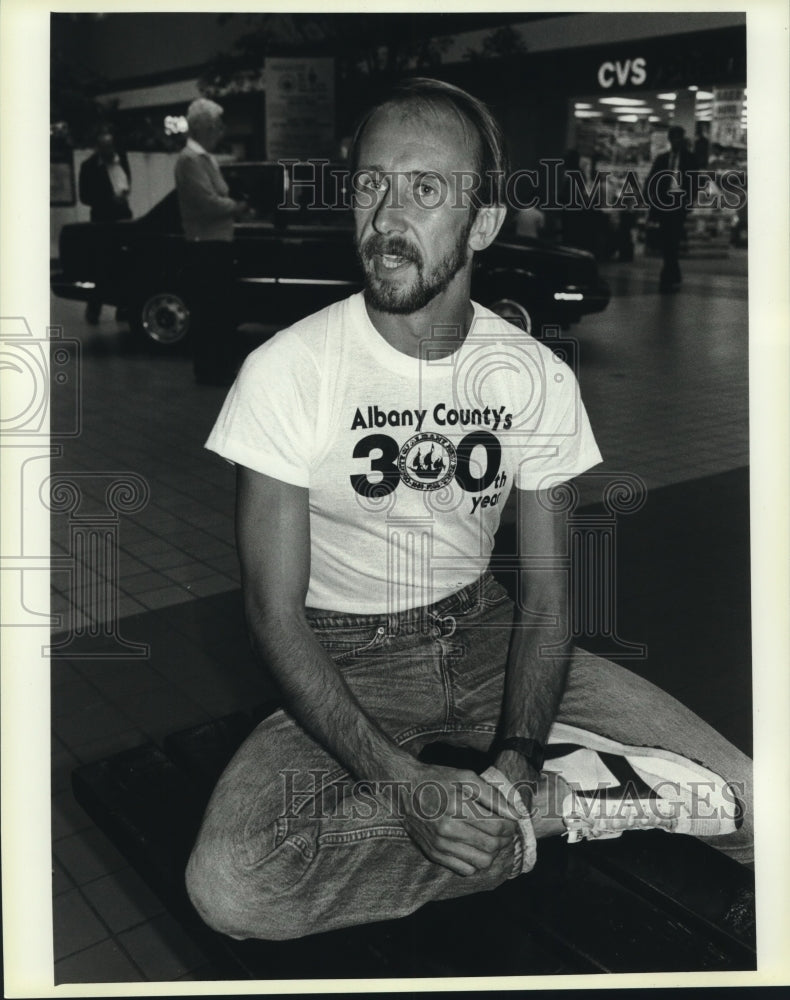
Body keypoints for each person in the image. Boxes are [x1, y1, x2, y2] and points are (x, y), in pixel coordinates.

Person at [185, 79, 752, 942]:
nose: (386, 218)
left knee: (752, 801)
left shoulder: (533, 375)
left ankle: (552, 796)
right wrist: (406, 789)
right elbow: (273, 614)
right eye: (371, 185)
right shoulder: (286, 372)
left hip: (486, 635)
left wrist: (519, 757)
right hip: (346, 655)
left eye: (424, 189)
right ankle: (559, 812)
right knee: (233, 886)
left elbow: (550, 600)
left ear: (483, 223)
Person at [174, 98, 248, 385]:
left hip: (216, 242)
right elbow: (206, 203)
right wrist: (236, 207)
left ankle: (219, 366)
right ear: (204, 127)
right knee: (209, 309)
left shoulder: (204, 158)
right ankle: (209, 369)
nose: (221, 131)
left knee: (219, 308)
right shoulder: (190, 160)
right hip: (204, 244)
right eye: (217, 126)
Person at [78, 128, 132, 324]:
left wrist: (123, 195)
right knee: (102, 265)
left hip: (122, 216)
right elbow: (85, 196)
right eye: (104, 147)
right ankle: (95, 307)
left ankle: (122, 307)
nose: (109, 150)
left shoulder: (121, 160)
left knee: (123, 264)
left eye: (110, 146)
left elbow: (126, 180)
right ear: (98, 148)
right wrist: (109, 200)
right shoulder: (89, 167)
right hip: (103, 220)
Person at [644, 125, 698, 292]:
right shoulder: (662, 159)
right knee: (666, 238)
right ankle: (673, 272)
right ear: (670, 140)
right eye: (673, 138)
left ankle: (668, 273)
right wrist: (649, 197)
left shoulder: (690, 159)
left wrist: (690, 201)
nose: (676, 142)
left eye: (679, 138)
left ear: (682, 140)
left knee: (673, 238)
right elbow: (651, 178)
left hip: (679, 202)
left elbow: (695, 182)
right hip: (663, 202)